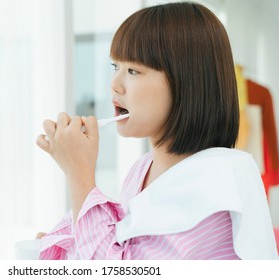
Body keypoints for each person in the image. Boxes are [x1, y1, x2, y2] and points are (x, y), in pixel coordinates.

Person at [35, 2, 278, 259]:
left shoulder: (213, 185)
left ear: (187, 83)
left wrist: (79, 174)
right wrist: (69, 243)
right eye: (114, 67)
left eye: (132, 70)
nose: (115, 85)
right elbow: (119, 244)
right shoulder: (142, 169)